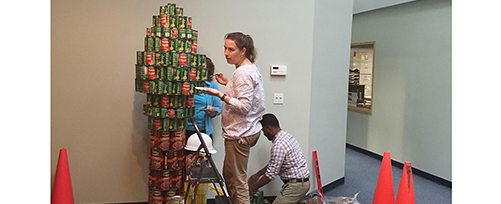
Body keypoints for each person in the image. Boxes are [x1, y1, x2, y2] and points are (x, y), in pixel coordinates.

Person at [199, 31, 265, 203]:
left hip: (240, 133)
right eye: (225, 48)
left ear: (243, 51)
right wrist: (228, 83)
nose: (226, 53)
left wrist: (219, 94)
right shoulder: (248, 69)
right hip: (245, 130)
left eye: (231, 49)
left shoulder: (242, 73)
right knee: (230, 176)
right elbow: (245, 93)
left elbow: (244, 106)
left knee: (237, 181)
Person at [248, 113, 310, 204]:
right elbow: (274, 163)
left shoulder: (279, 145)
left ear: (269, 128)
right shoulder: (286, 136)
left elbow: (271, 174)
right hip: (301, 182)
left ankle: (311, 202)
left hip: (297, 186)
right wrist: (257, 175)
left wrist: (253, 187)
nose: (264, 134)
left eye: (263, 130)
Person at [185, 57, 222, 138]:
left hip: (203, 130)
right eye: (197, 68)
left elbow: (219, 108)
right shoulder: (185, 85)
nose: (199, 71)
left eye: (203, 68)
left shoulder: (212, 86)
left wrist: (213, 110)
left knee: (203, 150)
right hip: (184, 130)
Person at [184, 132, 217, 204]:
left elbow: (207, 167)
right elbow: (188, 166)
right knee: (188, 194)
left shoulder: (204, 159)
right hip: (190, 178)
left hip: (201, 179)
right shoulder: (190, 157)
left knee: (201, 194)